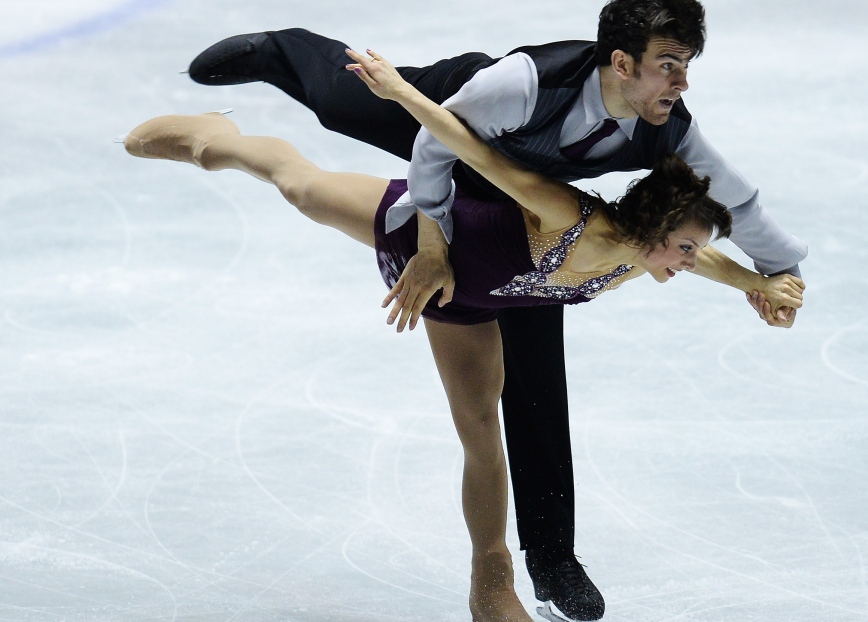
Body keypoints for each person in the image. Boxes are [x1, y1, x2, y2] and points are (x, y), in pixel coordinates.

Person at [122, 47, 803, 621]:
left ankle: (492, 580)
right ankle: (218, 140)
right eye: (682, 250)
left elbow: (713, 257)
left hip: (462, 305)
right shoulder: (578, 219)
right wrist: (399, 93)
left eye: (689, 254)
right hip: (423, 239)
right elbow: (468, 146)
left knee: (480, 428)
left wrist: (760, 285)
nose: (687, 264)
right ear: (657, 235)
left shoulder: (639, 260)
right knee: (299, 185)